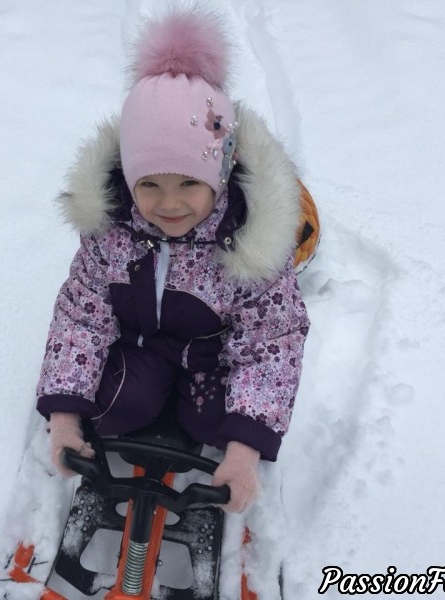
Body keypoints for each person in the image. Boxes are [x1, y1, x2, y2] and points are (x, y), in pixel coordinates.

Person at [35, 8, 310, 513]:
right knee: (115, 407)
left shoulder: (247, 241)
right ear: (128, 178)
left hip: (213, 358)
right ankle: (137, 398)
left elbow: (270, 342)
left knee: (215, 424)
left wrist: (244, 451)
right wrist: (66, 417)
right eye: (150, 185)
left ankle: (207, 413)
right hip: (141, 348)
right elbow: (81, 317)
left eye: (189, 183)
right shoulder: (113, 231)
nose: (169, 204)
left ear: (221, 177)